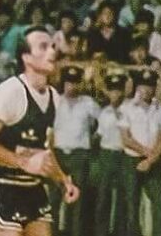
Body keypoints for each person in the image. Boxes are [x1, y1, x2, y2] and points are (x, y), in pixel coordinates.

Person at [0, 26, 80, 236]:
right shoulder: (11, 91)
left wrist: (63, 180)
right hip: (5, 186)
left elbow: (46, 150)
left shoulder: (54, 97)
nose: (52, 51)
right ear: (26, 57)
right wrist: (23, 162)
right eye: (43, 47)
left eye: (53, 46)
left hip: (34, 188)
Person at [51, 65, 100, 236]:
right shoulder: (55, 101)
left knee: (78, 199)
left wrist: (93, 140)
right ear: (63, 84)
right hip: (58, 153)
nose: (71, 86)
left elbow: (103, 122)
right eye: (68, 82)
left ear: (80, 84)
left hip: (79, 154)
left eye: (74, 82)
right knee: (54, 198)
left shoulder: (88, 103)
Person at [119, 69, 161, 236]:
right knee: (132, 207)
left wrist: (151, 159)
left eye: (150, 86)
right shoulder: (127, 108)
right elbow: (126, 138)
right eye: (142, 86)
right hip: (132, 160)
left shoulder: (160, 109)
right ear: (137, 87)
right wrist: (146, 152)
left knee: (160, 203)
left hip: (153, 162)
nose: (146, 90)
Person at [94, 72, 127, 236]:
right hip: (106, 154)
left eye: (118, 90)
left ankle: (119, 231)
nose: (115, 94)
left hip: (123, 155)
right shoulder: (104, 112)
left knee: (122, 196)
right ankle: (101, 232)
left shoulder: (128, 111)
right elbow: (99, 135)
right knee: (103, 195)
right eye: (112, 90)